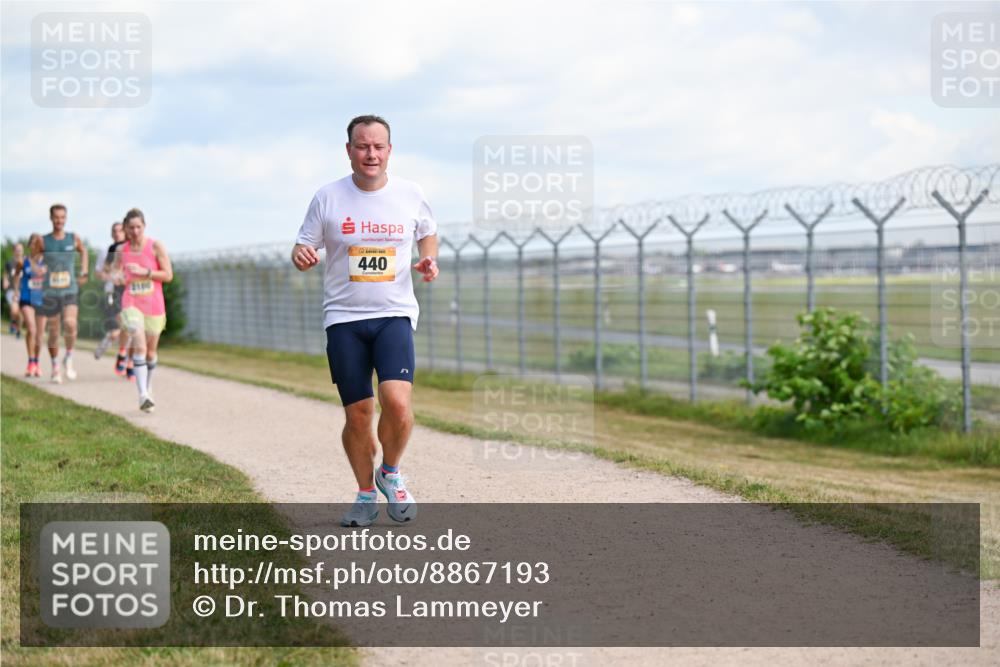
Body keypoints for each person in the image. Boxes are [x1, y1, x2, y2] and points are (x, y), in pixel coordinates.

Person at [292, 114, 439, 528]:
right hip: (343, 319)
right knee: (358, 414)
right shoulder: (327, 197)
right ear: (349, 150)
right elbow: (303, 245)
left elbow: (428, 232)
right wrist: (301, 256)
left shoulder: (411, 194)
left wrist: (429, 259)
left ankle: (390, 472)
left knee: (397, 402)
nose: (370, 153)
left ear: (389, 150)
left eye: (378, 146)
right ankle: (364, 496)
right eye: (362, 146)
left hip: (394, 313)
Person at [116, 208, 172, 412]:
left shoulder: (155, 246)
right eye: (131, 228)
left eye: (139, 227)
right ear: (126, 229)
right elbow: (116, 273)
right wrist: (118, 278)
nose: (135, 231)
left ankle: (148, 387)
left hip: (154, 305)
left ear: (144, 226)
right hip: (131, 303)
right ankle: (142, 395)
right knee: (138, 343)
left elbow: (168, 275)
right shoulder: (122, 250)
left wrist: (146, 272)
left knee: (150, 352)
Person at [36, 204, 88, 383]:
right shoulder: (43, 241)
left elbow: (84, 252)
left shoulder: (73, 239)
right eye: (56, 217)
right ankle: (55, 366)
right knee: (53, 331)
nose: (59, 220)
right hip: (50, 292)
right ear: (51, 218)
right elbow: (33, 261)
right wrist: (38, 269)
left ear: (66, 218)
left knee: (70, 324)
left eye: (62, 217)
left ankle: (69, 357)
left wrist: (84, 271)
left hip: (69, 289)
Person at [94, 221, 129, 375]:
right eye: (114, 231)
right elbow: (99, 272)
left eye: (120, 230)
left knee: (129, 327)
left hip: (127, 291)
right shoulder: (108, 251)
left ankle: (127, 361)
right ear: (111, 234)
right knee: (118, 330)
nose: (117, 233)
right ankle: (109, 341)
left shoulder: (131, 249)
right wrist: (111, 276)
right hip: (112, 292)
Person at [14, 236, 45, 375]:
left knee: (39, 335)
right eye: (32, 243)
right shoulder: (23, 261)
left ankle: (37, 362)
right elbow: (16, 275)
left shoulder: (46, 262)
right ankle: (31, 362)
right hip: (26, 298)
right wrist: (16, 290)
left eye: (37, 243)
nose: (34, 245)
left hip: (42, 300)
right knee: (31, 329)